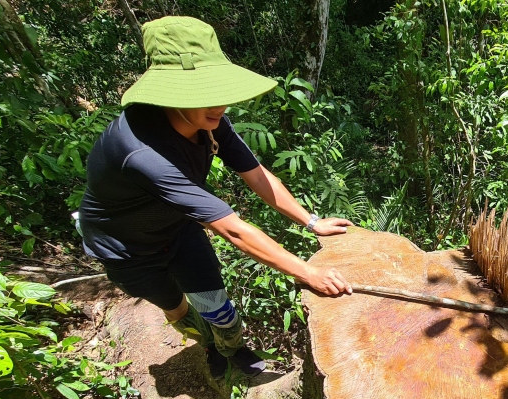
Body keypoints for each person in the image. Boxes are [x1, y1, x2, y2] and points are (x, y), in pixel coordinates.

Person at [78, 16, 352, 378]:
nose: (219, 105)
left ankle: (232, 347)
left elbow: (254, 171)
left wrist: (311, 221)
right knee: (176, 310)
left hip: (176, 230)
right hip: (126, 252)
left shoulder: (207, 119)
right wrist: (308, 273)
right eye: (205, 94)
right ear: (170, 95)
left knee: (216, 305)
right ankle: (207, 347)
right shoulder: (140, 151)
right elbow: (231, 229)